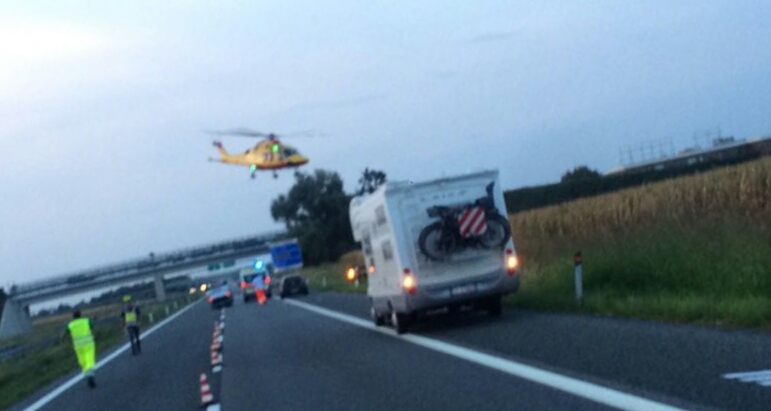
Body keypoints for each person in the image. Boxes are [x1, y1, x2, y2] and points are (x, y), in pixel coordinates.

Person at [65, 309, 97, 388]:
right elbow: (93, 329)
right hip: (88, 344)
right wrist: (94, 335)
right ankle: (90, 376)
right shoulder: (86, 321)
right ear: (80, 315)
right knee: (90, 360)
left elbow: (65, 334)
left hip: (78, 346)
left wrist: (63, 339)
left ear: (73, 316)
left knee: (83, 362)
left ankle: (88, 376)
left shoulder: (70, 325)